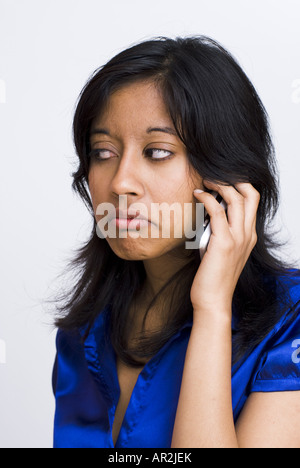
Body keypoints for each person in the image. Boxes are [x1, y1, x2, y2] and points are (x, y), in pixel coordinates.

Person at [51, 35, 300, 448]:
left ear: (224, 172)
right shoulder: (82, 333)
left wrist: (213, 309)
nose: (121, 182)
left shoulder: (288, 322)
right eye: (103, 152)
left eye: (158, 151)